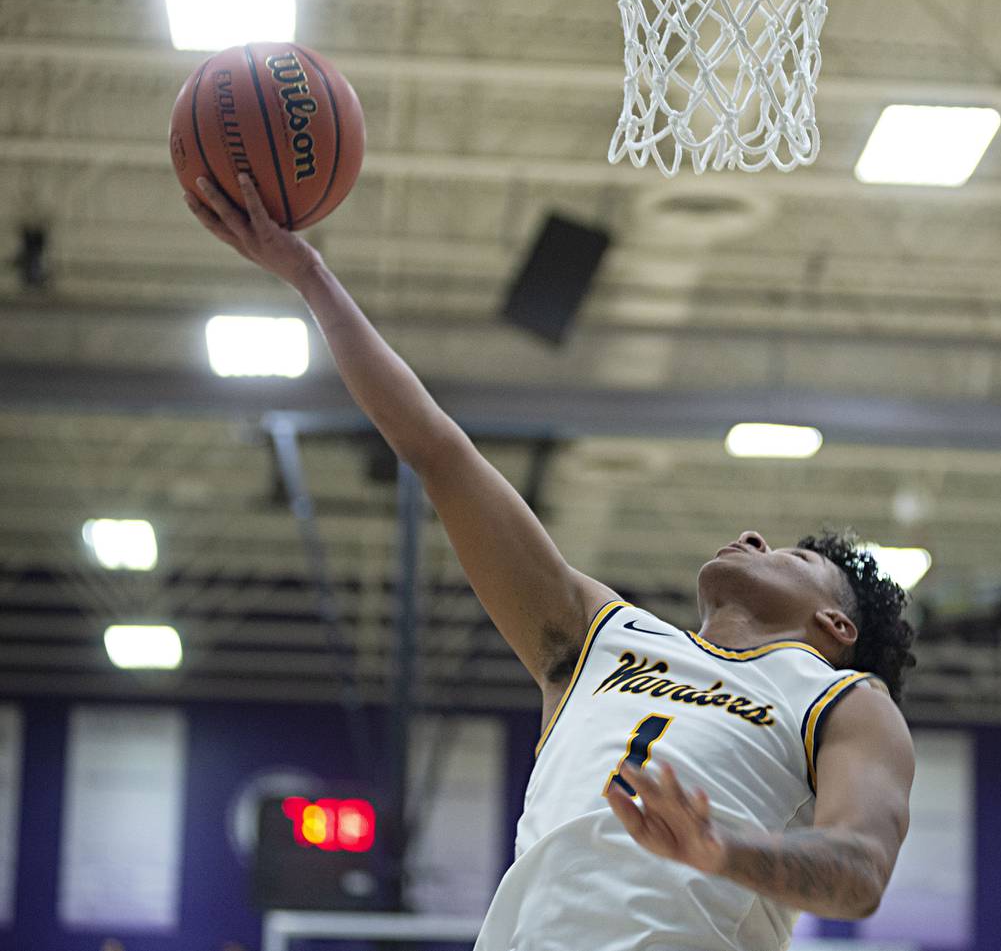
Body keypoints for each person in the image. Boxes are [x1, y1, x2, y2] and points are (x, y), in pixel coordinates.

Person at [186, 174, 918, 951]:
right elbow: (436, 448)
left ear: (834, 622)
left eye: (794, 555)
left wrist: (722, 850)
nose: (752, 536)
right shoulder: (600, 633)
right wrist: (310, 275)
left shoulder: (844, 699)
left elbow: (861, 865)